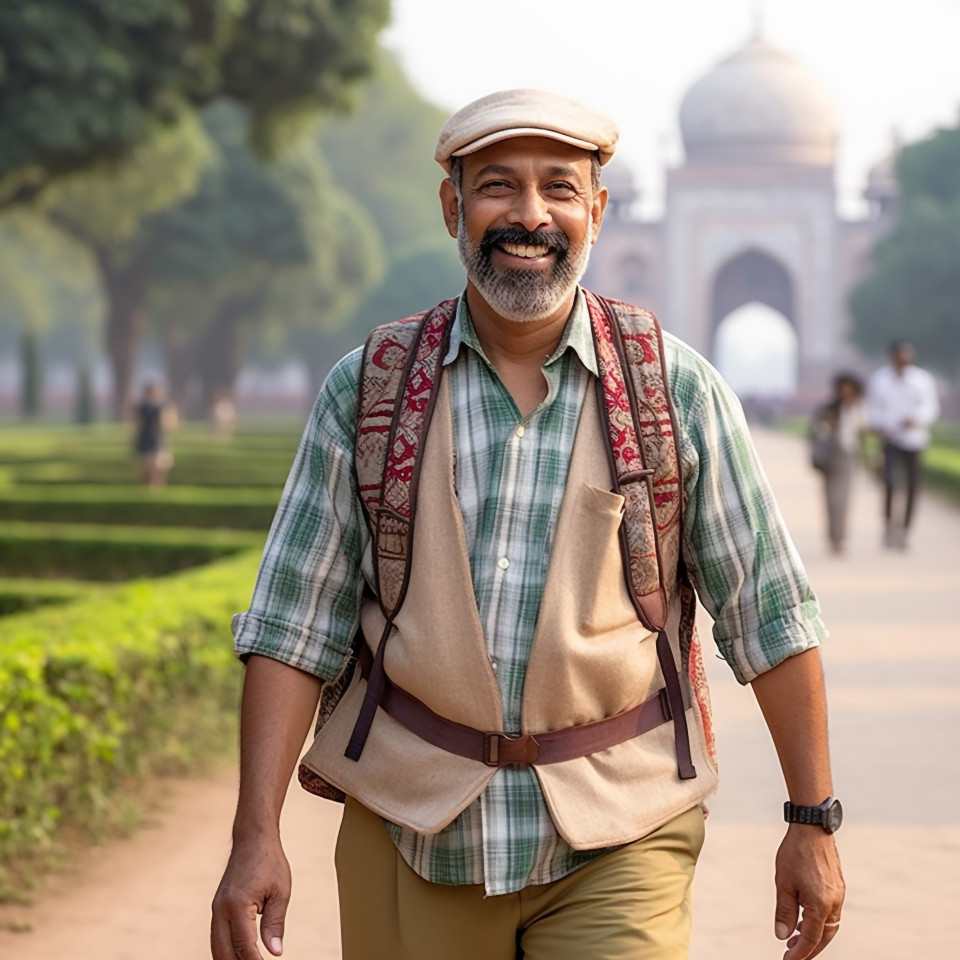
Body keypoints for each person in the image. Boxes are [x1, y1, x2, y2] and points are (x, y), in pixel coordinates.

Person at [211, 90, 844, 960]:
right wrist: (256, 833)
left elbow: (769, 610)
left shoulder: (671, 392)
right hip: (414, 820)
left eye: (559, 188)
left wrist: (812, 818)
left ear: (600, 212)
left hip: (624, 821)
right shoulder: (373, 391)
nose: (530, 215)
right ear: (453, 206)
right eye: (499, 186)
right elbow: (295, 625)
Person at [865, 340, 940, 549]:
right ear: (893, 357)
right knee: (889, 483)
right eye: (900, 356)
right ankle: (889, 527)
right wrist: (881, 424)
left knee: (913, 487)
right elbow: (873, 409)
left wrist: (916, 419)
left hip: (915, 440)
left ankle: (905, 530)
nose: (904, 360)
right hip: (890, 439)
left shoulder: (922, 380)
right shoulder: (880, 380)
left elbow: (931, 407)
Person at [809, 373, 867, 554]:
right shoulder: (829, 409)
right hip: (831, 459)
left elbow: (863, 432)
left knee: (843, 500)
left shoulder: (858, 408)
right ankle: (833, 536)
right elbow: (816, 433)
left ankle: (840, 537)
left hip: (848, 458)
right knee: (831, 500)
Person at [132, 381, 172, 486]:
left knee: (157, 467)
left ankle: (157, 488)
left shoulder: (161, 408)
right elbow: (137, 424)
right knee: (145, 469)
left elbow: (167, 425)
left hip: (157, 440)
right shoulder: (141, 408)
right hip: (145, 440)